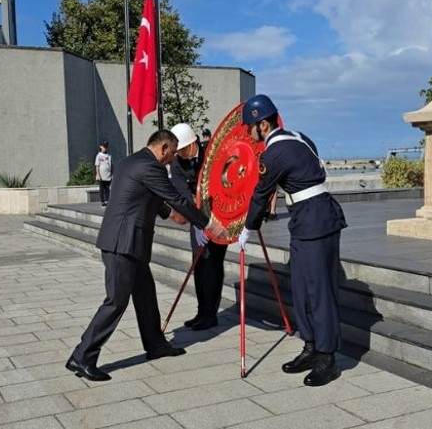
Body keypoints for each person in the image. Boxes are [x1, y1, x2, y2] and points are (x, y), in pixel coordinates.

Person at [66, 129, 229, 382]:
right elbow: (174, 197)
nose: (172, 159)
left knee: (146, 295)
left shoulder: (133, 162)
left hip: (131, 243)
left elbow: (148, 196)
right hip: (123, 244)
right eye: (172, 154)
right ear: (164, 148)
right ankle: (83, 356)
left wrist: (171, 216)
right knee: (116, 302)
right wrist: (207, 224)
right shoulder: (151, 167)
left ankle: (155, 345)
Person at [237, 94, 347, 387]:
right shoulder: (300, 138)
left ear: (262, 123)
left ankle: (327, 357)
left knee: (319, 291)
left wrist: (247, 227)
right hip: (306, 219)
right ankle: (311, 345)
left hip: (315, 220)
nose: (249, 134)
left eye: (250, 127)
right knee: (301, 289)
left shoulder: (274, 153)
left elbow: (262, 193)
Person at [169, 123, 228, 331]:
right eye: (179, 151)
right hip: (196, 217)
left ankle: (211, 313)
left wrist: (211, 221)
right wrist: (197, 223)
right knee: (199, 264)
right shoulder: (176, 164)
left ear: (193, 143)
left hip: (219, 217)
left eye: (184, 149)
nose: (181, 154)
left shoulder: (211, 153)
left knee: (213, 264)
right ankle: (201, 310)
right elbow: (182, 196)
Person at [94, 141, 113, 207]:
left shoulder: (109, 156)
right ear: (101, 147)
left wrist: (112, 173)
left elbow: (111, 165)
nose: (105, 148)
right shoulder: (98, 156)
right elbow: (97, 166)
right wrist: (98, 174)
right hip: (101, 175)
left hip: (108, 175)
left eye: (106, 147)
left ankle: (107, 200)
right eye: (104, 147)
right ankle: (102, 201)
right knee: (102, 188)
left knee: (107, 188)